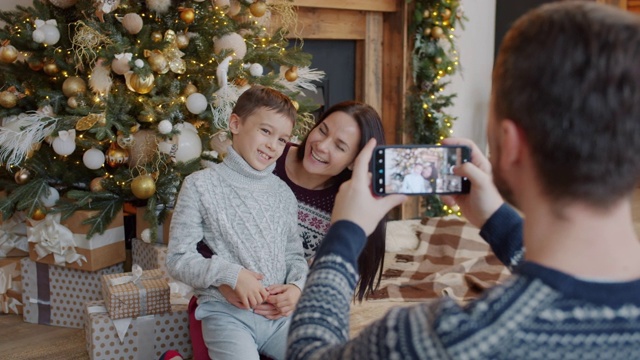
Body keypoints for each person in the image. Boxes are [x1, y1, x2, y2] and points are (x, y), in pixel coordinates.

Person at [287, 2, 640, 359]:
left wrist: (345, 231)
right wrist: (496, 219)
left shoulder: (443, 338)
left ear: (510, 144)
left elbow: (308, 353)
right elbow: (575, 286)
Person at [189, 100, 389, 360]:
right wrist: (225, 282)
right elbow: (204, 234)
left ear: (354, 162)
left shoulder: (347, 201)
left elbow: (333, 273)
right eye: (323, 130)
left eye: (340, 146)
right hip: (224, 303)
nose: (321, 146)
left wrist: (298, 292)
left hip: (288, 315)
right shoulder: (266, 155)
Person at [165, 85, 308, 360]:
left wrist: (296, 287)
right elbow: (178, 259)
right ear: (235, 123)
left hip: (278, 318)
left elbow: (294, 255)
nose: (272, 145)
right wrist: (231, 274)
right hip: (226, 315)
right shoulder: (200, 185)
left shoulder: (283, 194)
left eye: (282, 139)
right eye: (265, 131)